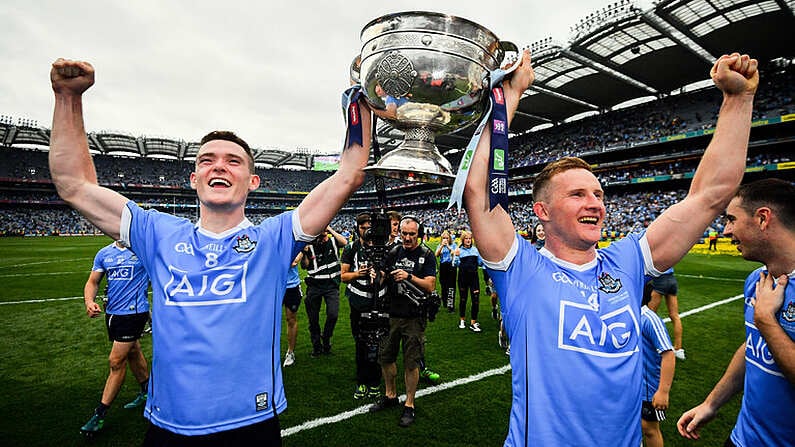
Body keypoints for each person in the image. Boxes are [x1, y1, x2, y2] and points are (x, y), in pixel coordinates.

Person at [49, 58, 371, 444]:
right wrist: (68, 97)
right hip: (168, 427)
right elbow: (73, 185)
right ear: (194, 178)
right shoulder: (157, 233)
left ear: (252, 181)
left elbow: (350, 171)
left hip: (250, 425)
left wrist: (362, 98)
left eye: (233, 161)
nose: (220, 165)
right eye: (207, 160)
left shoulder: (276, 238)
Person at [462, 50, 758, 446]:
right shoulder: (521, 269)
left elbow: (710, 196)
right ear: (542, 211)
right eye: (578, 194)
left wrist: (739, 100)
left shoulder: (626, 260)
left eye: (599, 194)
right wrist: (510, 96)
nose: (596, 203)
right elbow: (477, 189)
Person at [677, 178, 795, 447]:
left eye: (731, 219)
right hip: (743, 439)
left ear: (763, 218)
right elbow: (753, 347)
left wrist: (766, 320)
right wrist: (711, 403)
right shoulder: (757, 280)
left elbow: (765, 331)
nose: (726, 230)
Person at [369, 216, 436, 427]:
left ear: (419, 234)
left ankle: (409, 404)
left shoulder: (426, 255)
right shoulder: (393, 252)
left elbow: (430, 286)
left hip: (414, 316)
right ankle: (390, 395)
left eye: (411, 234)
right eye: (404, 234)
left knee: (411, 362)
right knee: (386, 357)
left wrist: (408, 276)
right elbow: (382, 275)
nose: (407, 238)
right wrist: (376, 274)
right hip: (391, 313)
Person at [80, 240, 151, 435]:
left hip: (134, 313)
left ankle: (99, 415)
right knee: (133, 351)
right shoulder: (104, 253)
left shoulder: (143, 249)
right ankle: (147, 391)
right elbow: (92, 281)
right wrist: (89, 301)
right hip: (112, 314)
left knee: (116, 361)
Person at [340, 212, 386, 400]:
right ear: (357, 229)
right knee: (360, 343)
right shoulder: (351, 248)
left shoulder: (382, 247)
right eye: (363, 227)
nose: (367, 231)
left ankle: (375, 381)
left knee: (377, 343)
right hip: (358, 301)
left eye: (369, 227)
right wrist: (359, 274)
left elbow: (388, 274)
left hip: (379, 300)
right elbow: (343, 276)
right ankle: (361, 381)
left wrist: (380, 275)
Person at [301, 226, 347, 357]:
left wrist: (330, 229)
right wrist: (304, 253)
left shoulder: (333, 241)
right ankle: (317, 347)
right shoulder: (310, 245)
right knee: (313, 319)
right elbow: (304, 266)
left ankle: (326, 337)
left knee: (333, 314)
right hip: (314, 285)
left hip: (331, 285)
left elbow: (344, 243)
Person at [641, 282, 676, 447]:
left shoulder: (649, 319)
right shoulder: (626, 315)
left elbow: (668, 354)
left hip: (648, 389)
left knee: (649, 428)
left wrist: (663, 391)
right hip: (629, 387)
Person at [649, 268, 686, 360]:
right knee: (675, 315)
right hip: (671, 279)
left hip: (660, 279)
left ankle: (651, 348)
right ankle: (679, 349)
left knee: (650, 315)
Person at [456, 230, 483, 332]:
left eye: (469, 238)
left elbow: (480, 263)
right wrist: (456, 256)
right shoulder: (459, 250)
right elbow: (455, 264)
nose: (468, 240)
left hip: (474, 278)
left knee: (475, 300)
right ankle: (462, 319)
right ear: (463, 240)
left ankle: (473, 322)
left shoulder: (476, 250)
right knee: (463, 299)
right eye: (466, 238)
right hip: (463, 277)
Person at [282, 253, 303, 367]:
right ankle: (268, 352)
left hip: (291, 286)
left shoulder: (295, 240)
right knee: (269, 320)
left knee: (291, 319)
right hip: (273, 285)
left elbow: (293, 262)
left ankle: (290, 352)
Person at [435, 230, 458, 313]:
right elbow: (436, 255)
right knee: (443, 285)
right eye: (444, 238)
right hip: (443, 266)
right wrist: (442, 246)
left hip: (451, 266)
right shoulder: (440, 245)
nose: (445, 239)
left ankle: (451, 305)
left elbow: (454, 253)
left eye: (447, 238)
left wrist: (448, 246)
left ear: (449, 238)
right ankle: (445, 302)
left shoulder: (453, 245)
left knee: (451, 286)